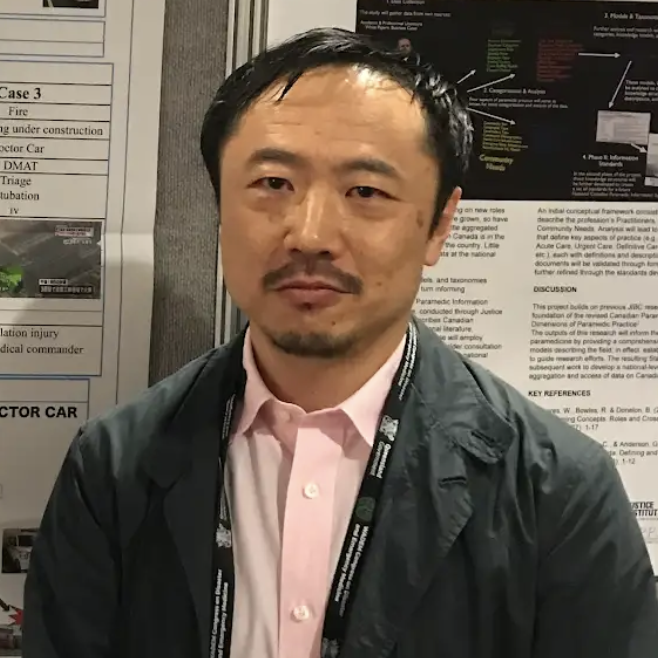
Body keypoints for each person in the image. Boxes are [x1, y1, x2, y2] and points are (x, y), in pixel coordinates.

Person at [22, 27, 658, 658]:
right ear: (220, 208)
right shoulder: (113, 468)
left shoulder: (556, 491)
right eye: (273, 184)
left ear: (440, 225)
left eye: (365, 192)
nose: (310, 234)